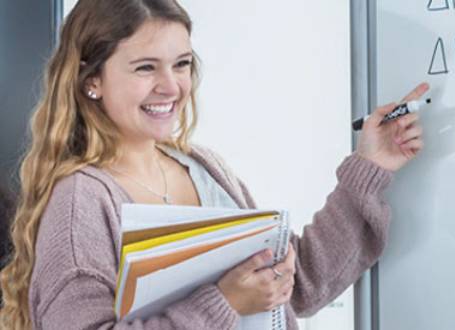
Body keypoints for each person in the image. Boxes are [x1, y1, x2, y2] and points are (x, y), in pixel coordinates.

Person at [0, 0, 428, 329]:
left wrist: (371, 162)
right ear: (91, 80)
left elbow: (300, 285)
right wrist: (223, 303)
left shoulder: (202, 167)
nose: (171, 86)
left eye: (181, 64)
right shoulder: (83, 200)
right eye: (146, 67)